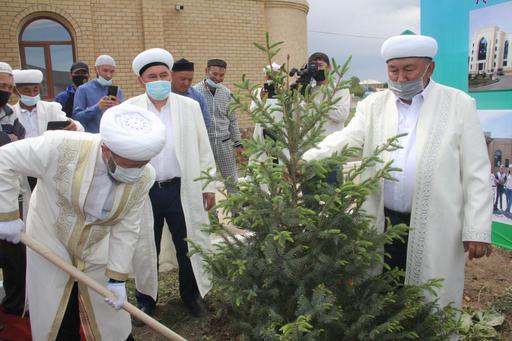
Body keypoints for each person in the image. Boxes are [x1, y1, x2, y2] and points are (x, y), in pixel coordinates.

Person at [303, 32, 492, 310]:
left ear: (430, 68)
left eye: (409, 70)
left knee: (431, 297)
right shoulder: (373, 106)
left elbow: (476, 171)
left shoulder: (458, 105)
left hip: (436, 222)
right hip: (383, 220)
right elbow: (346, 139)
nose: (401, 79)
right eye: (393, 70)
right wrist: (306, 159)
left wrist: (477, 228)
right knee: (381, 293)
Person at [0, 104, 166, 340]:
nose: (136, 172)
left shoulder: (144, 176)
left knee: (111, 321)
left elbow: (126, 227)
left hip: (96, 246)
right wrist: (5, 215)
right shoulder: (61, 146)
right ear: (106, 149)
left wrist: (117, 278)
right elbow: (4, 159)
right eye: (129, 165)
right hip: (50, 240)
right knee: (56, 314)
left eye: (142, 164)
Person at [125, 48, 217, 320]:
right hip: (145, 191)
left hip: (181, 189)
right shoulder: (129, 109)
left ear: (171, 75)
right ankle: (146, 300)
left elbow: (203, 147)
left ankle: (192, 295)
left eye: (163, 74)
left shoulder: (189, 107)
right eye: (151, 76)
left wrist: (208, 185)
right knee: (144, 246)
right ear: (142, 80)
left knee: (188, 244)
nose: (159, 80)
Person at [194, 59, 244, 201]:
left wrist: (238, 143)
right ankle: (211, 219)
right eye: (214, 74)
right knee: (206, 180)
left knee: (232, 179)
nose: (217, 78)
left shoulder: (227, 93)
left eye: (221, 75)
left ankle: (237, 213)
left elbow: (233, 120)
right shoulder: (195, 92)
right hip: (204, 144)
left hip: (224, 143)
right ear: (206, 71)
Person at [0, 62, 26, 318]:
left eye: (9, 86)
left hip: (10, 194)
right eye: (1, 86)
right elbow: (10, 142)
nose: (6, 91)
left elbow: (21, 137)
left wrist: (8, 140)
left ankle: (14, 305)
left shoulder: (9, 112)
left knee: (13, 256)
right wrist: (7, 140)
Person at [73, 55, 125, 132]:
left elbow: (125, 116)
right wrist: (97, 107)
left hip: (113, 137)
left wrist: (119, 107)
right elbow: (77, 118)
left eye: (112, 71)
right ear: (96, 70)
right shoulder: (83, 89)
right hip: (93, 138)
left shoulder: (117, 90)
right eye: (105, 70)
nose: (108, 75)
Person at [308, 52, 351, 137]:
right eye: (314, 66)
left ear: (329, 67)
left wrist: (313, 101)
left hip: (333, 142)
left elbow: (341, 116)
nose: (317, 69)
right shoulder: (309, 90)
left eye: (320, 65)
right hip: (311, 143)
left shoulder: (340, 89)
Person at [171, 58, 212, 128]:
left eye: (190, 80)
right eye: (183, 79)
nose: (186, 83)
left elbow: (206, 124)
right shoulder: (162, 95)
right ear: (171, 76)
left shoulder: (198, 97)